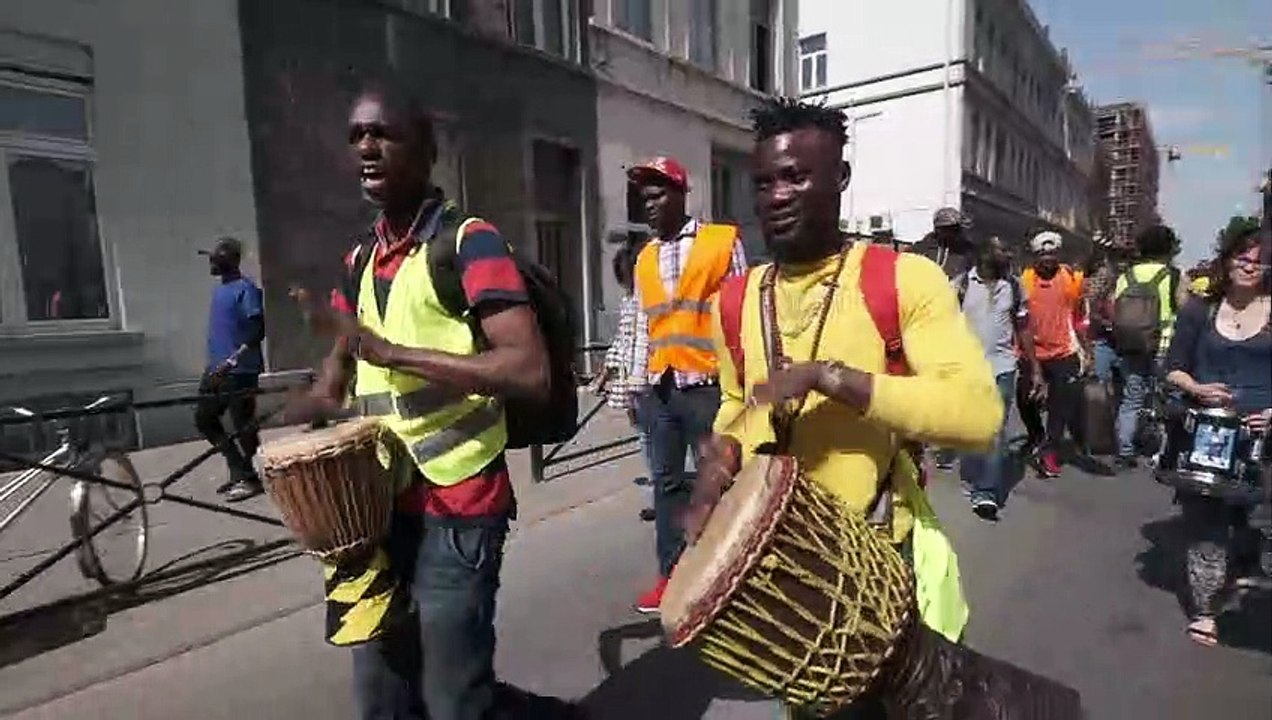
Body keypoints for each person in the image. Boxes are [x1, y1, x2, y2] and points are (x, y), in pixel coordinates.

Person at [687, 98, 1002, 718]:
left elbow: (978, 416)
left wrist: (830, 378)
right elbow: (738, 406)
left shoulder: (901, 279)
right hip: (795, 588)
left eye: (797, 176)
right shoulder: (734, 300)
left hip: (889, 574)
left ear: (842, 178)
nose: (777, 195)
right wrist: (714, 471)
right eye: (765, 182)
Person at [300, 86, 549, 720]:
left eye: (383, 133)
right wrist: (281, 418)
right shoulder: (360, 260)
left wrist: (396, 356)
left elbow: (527, 370)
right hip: (378, 511)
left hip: (459, 502)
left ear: (428, 149)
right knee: (381, 693)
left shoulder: (469, 243)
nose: (366, 147)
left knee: (451, 695)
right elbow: (336, 381)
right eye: (356, 135)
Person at [628, 155, 747, 613]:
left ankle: (729, 570)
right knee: (666, 484)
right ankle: (672, 575)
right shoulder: (645, 258)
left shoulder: (721, 241)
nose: (651, 205)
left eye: (659, 195)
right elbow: (642, 324)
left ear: (681, 194)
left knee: (720, 482)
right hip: (662, 388)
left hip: (709, 385)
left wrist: (742, 385)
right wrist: (637, 386)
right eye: (645, 198)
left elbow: (739, 316)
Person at [1162, 226, 1271, 647]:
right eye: (1242, 256)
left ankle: (1245, 562)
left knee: (1255, 519)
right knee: (1207, 523)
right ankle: (1206, 608)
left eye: (1259, 258)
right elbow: (1172, 366)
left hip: (1264, 437)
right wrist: (1196, 389)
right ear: (1227, 259)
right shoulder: (1199, 310)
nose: (1249, 264)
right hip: (1207, 435)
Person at [952, 236, 1041, 519]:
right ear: (985, 253)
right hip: (966, 371)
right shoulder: (960, 285)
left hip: (1002, 368)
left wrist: (1035, 367)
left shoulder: (1014, 286)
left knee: (995, 428)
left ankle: (986, 492)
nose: (1007, 253)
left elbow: (1024, 327)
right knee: (969, 429)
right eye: (1001, 249)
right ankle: (973, 472)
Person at [195, 236, 266, 503]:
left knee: (243, 427)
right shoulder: (220, 290)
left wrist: (233, 360)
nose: (211, 263)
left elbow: (258, 330)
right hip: (215, 369)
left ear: (228, 261)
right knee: (204, 419)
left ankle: (252, 478)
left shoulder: (246, 290)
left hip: (239, 371)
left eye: (215, 259)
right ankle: (241, 471)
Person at [1110, 224, 1186, 467]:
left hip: (1132, 343)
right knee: (1170, 397)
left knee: (1131, 398)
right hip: (1165, 344)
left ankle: (1124, 450)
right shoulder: (1173, 275)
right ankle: (1168, 450)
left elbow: (1114, 307)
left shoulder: (1127, 275)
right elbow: (1185, 308)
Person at [592, 239, 656, 522]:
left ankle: (667, 491)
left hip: (650, 378)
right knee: (644, 435)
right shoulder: (628, 301)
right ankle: (660, 488)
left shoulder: (651, 300)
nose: (626, 283)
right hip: (631, 380)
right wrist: (606, 374)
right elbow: (621, 341)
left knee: (654, 436)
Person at [1018, 231, 1088, 477]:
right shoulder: (1024, 280)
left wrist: (1085, 348)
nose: (1047, 259)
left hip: (1063, 352)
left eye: (1051, 254)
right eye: (1042, 255)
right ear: (1035, 257)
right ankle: (1036, 435)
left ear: (1058, 255)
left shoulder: (1072, 279)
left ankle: (1050, 451)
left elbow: (1080, 316)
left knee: (1061, 405)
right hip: (1031, 352)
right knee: (1024, 399)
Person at [910, 207, 976, 279]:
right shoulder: (923, 248)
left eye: (957, 229)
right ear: (939, 229)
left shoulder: (968, 250)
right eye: (951, 229)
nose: (955, 233)